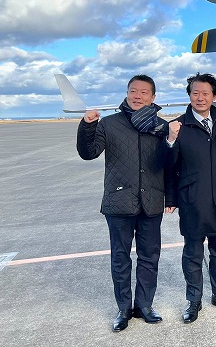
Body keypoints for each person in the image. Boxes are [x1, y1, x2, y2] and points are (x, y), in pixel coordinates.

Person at [76, 74, 171, 332]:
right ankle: (123, 308)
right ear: (127, 93)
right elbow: (88, 153)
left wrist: (170, 197)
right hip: (119, 202)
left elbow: (169, 164)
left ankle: (145, 305)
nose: (137, 96)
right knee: (120, 257)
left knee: (149, 257)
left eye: (143, 92)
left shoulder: (161, 127)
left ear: (153, 97)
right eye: (133, 91)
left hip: (151, 201)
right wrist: (87, 126)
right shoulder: (109, 124)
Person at [165, 73, 216, 324]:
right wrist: (170, 140)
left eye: (205, 93)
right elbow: (169, 166)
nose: (200, 97)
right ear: (189, 96)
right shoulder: (177, 126)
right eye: (195, 93)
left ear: (214, 97)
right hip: (193, 200)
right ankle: (193, 300)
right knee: (193, 254)